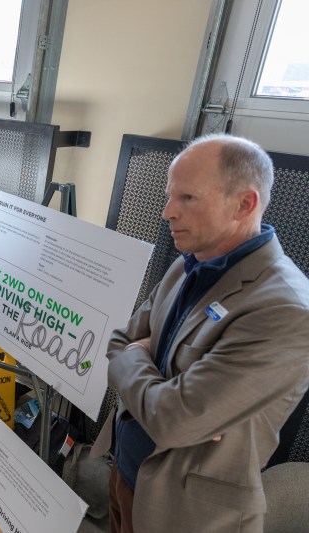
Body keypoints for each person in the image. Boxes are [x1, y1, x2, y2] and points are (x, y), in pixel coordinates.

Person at [95, 133, 309, 532]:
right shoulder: (187, 264)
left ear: (245, 204)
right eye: (169, 196)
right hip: (126, 477)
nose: (167, 212)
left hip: (183, 515)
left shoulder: (286, 311)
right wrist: (154, 376)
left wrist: (136, 360)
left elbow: (172, 420)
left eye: (187, 199)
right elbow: (119, 341)